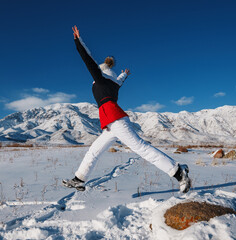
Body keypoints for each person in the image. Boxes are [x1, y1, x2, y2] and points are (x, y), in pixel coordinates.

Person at [63, 26, 191, 193]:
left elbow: (88, 60)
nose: (93, 82)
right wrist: (124, 75)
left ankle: (179, 172)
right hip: (111, 124)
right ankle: (79, 179)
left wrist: (78, 42)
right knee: (94, 151)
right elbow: (119, 81)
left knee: (141, 148)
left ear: (101, 73)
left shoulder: (101, 80)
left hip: (115, 120)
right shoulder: (114, 84)